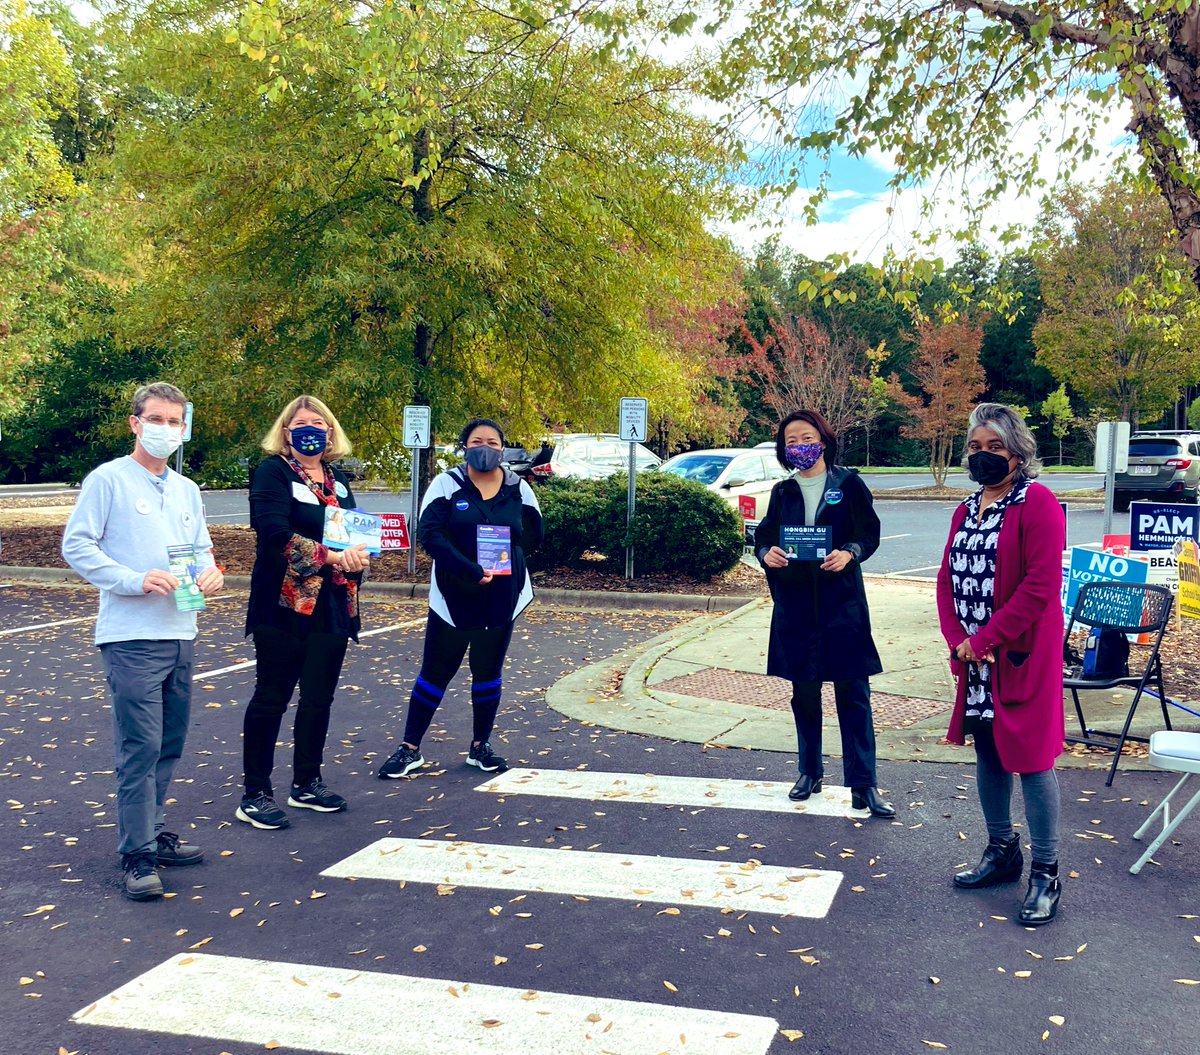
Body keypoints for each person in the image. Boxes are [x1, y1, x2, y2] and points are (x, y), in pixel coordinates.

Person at [62, 382, 224, 900]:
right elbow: (77, 546)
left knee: (169, 745)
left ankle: (150, 833)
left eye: (175, 422)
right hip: (131, 637)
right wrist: (133, 579)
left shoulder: (186, 489)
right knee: (141, 746)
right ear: (135, 423)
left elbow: (200, 548)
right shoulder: (108, 480)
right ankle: (136, 855)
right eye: (156, 419)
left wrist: (212, 572)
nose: (166, 430)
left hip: (181, 630)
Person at [936, 403, 1066, 926]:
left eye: (994, 447)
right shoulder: (966, 507)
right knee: (988, 750)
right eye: (974, 446)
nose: (983, 455)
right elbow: (946, 579)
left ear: (1017, 453)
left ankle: (1046, 873)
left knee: (1033, 760)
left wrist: (987, 637)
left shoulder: (1037, 503)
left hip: (1021, 654)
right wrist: (959, 642)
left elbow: (1040, 585)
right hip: (976, 658)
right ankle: (1002, 850)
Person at [378, 418, 543, 779]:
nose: (485, 447)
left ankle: (480, 746)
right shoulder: (447, 484)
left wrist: (508, 565)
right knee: (436, 671)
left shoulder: (519, 488)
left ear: (503, 448)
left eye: (493, 442)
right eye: (477, 441)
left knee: (488, 671)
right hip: (453, 596)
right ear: (464, 446)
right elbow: (431, 535)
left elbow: (533, 534)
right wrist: (467, 567)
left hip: (502, 596)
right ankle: (409, 748)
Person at [235, 396, 370, 831]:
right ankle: (255, 792)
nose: (311, 430)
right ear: (286, 432)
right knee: (272, 695)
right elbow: (273, 532)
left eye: (320, 423)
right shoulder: (272, 472)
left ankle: (307, 783)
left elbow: (353, 531)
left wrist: (359, 556)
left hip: (332, 605)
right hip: (284, 604)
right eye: (300, 424)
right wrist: (333, 557)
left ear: (331, 433)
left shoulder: (338, 479)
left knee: (318, 697)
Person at [754, 410, 895, 818]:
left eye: (806, 437)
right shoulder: (783, 492)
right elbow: (764, 536)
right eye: (792, 441)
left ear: (824, 439)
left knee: (854, 693)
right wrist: (768, 554)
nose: (800, 446)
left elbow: (868, 533)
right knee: (805, 692)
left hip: (841, 605)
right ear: (785, 450)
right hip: (797, 605)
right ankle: (809, 771)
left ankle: (863, 785)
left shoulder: (848, 485)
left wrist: (850, 553)